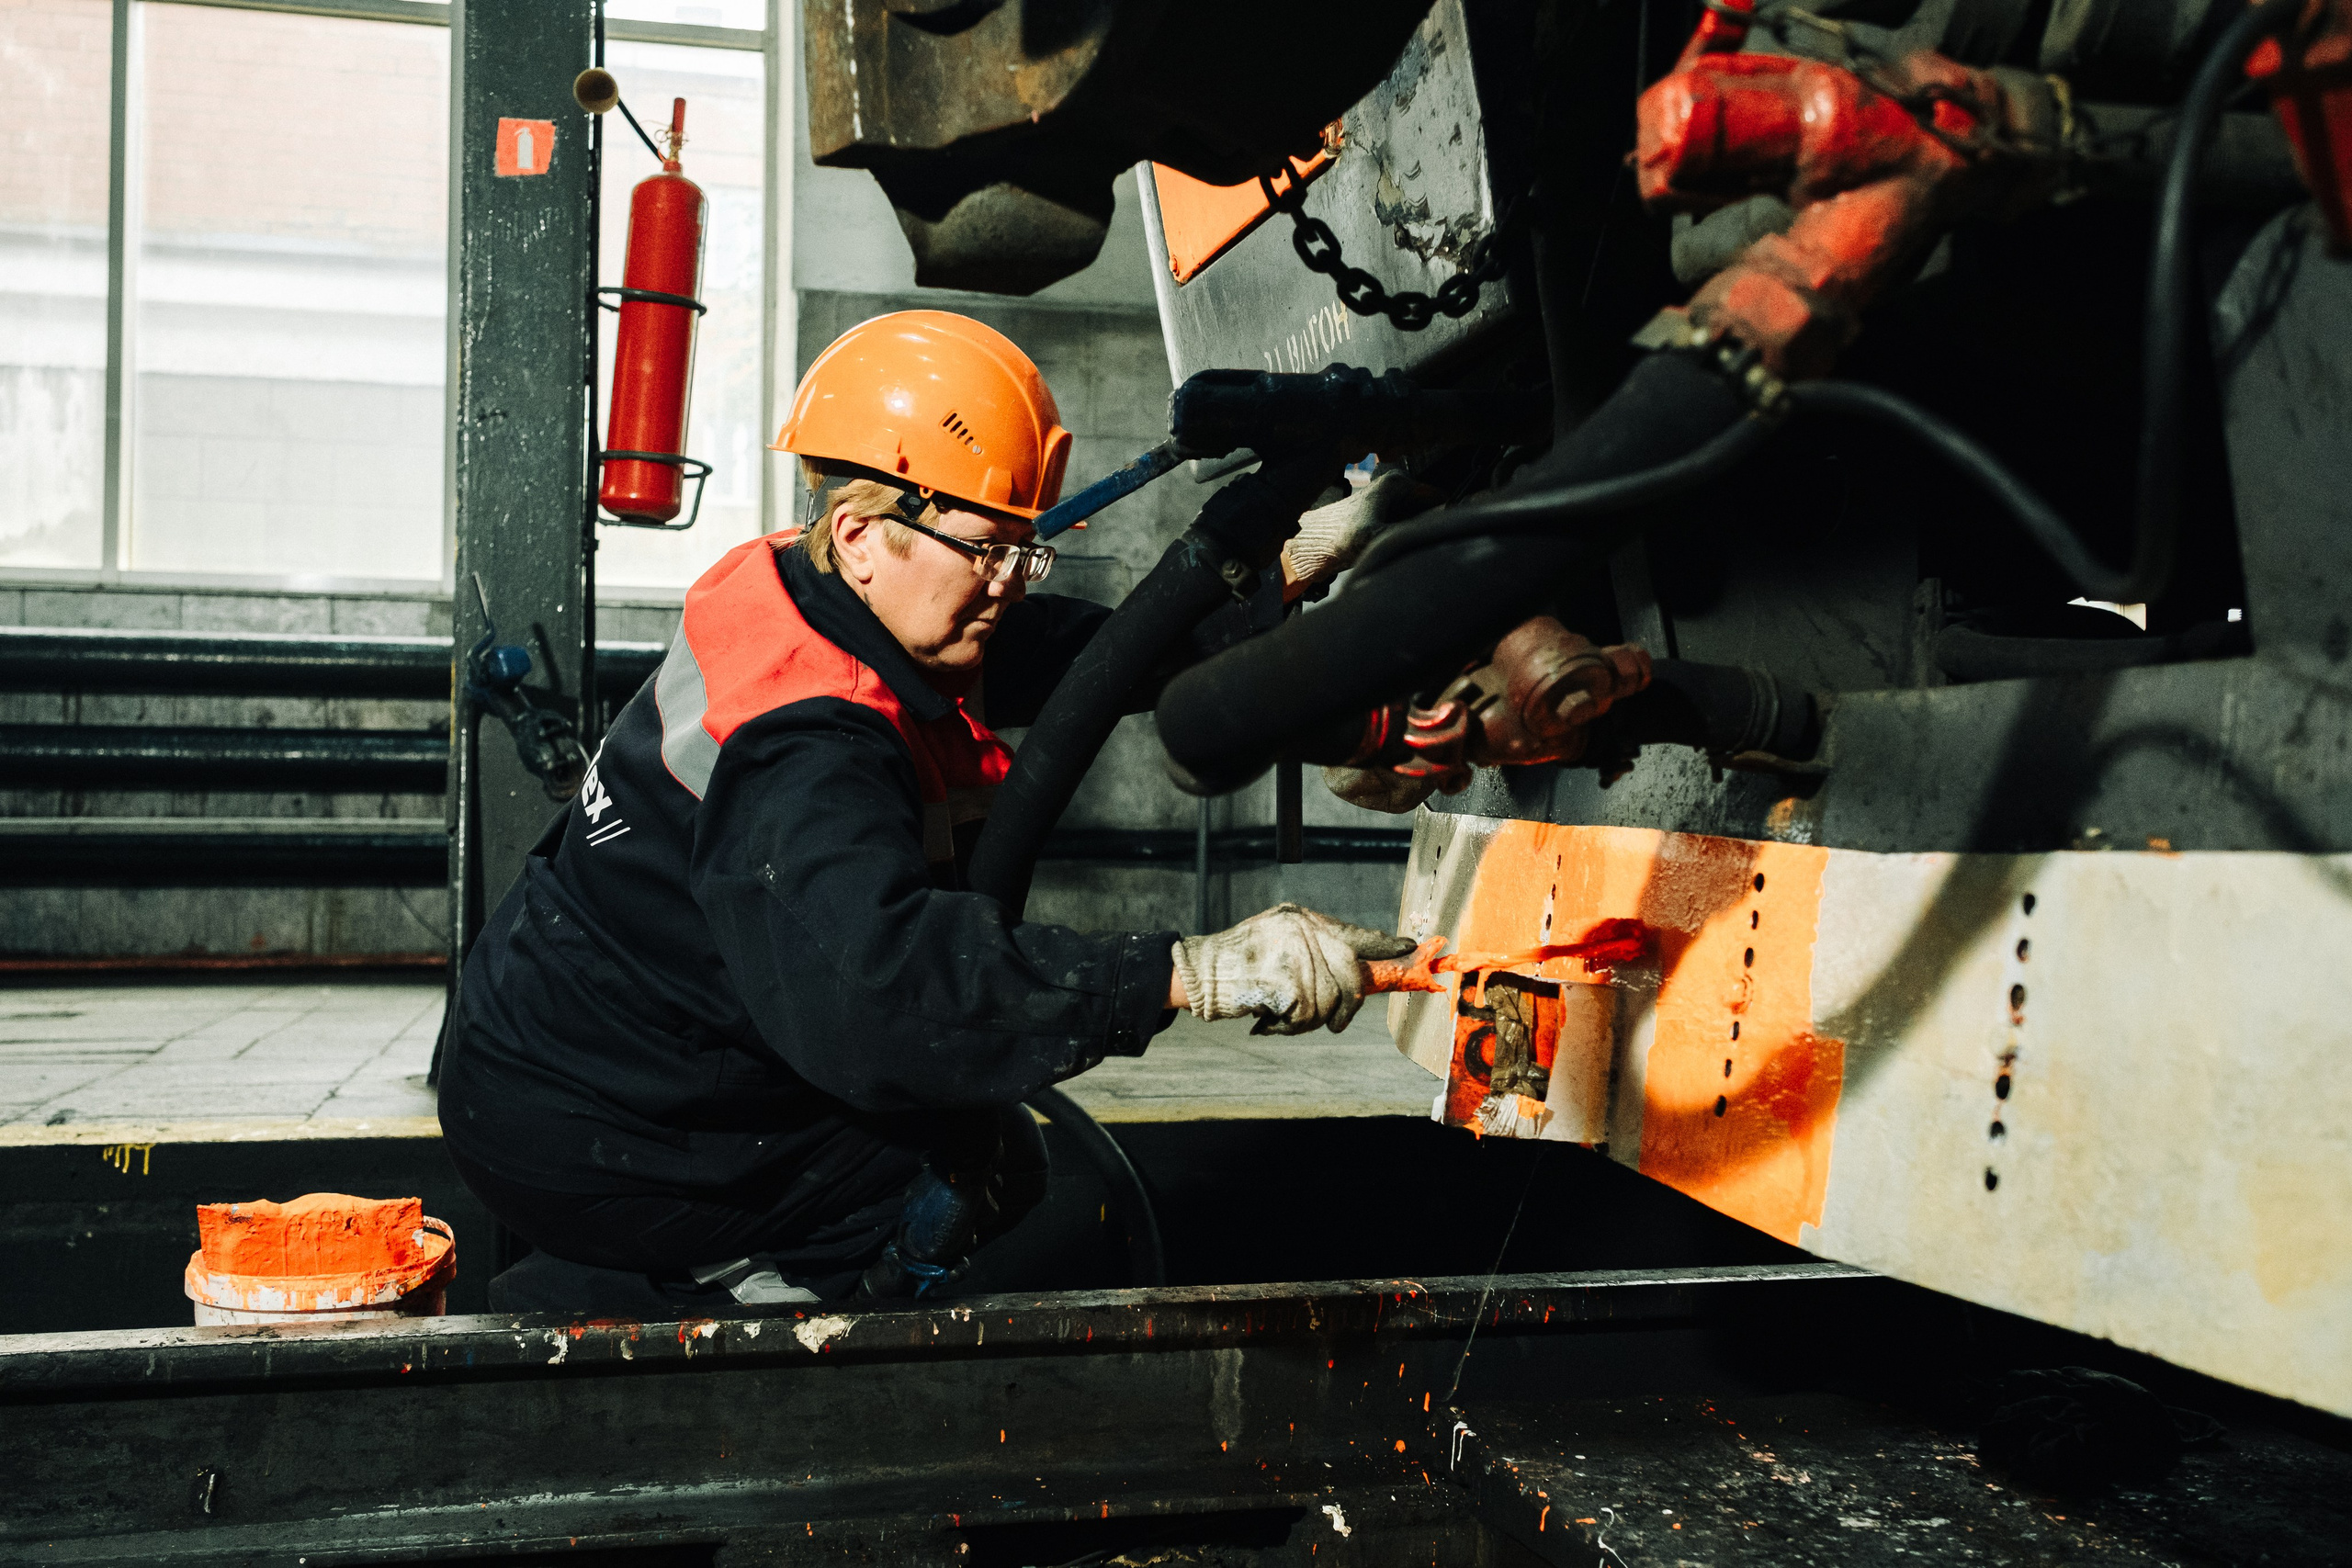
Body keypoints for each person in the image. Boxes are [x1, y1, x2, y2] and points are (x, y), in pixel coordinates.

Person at [435, 310, 1416, 1312]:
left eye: (1022, 555)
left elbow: (1095, 659)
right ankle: (763, 1321)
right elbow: (892, 999)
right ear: (863, 533)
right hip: (599, 1125)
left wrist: (1285, 583)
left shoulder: (826, 586)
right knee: (962, 1161)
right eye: (986, 552)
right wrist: (1191, 974)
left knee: (990, 1143)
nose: (1005, 588)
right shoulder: (802, 751)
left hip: (577, 1041)